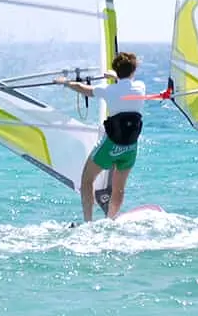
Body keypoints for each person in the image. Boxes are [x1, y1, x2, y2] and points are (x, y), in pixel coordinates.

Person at [56, 51, 145, 222]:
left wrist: (66, 82)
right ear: (133, 70)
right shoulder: (140, 87)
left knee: (87, 180)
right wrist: (116, 77)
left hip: (111, 147)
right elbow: (126, 84)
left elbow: (84, 89)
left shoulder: (108, 90)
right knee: (119, 189)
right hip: (130, 148)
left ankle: (88, 222)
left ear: (116, 69)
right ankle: (111, 220)